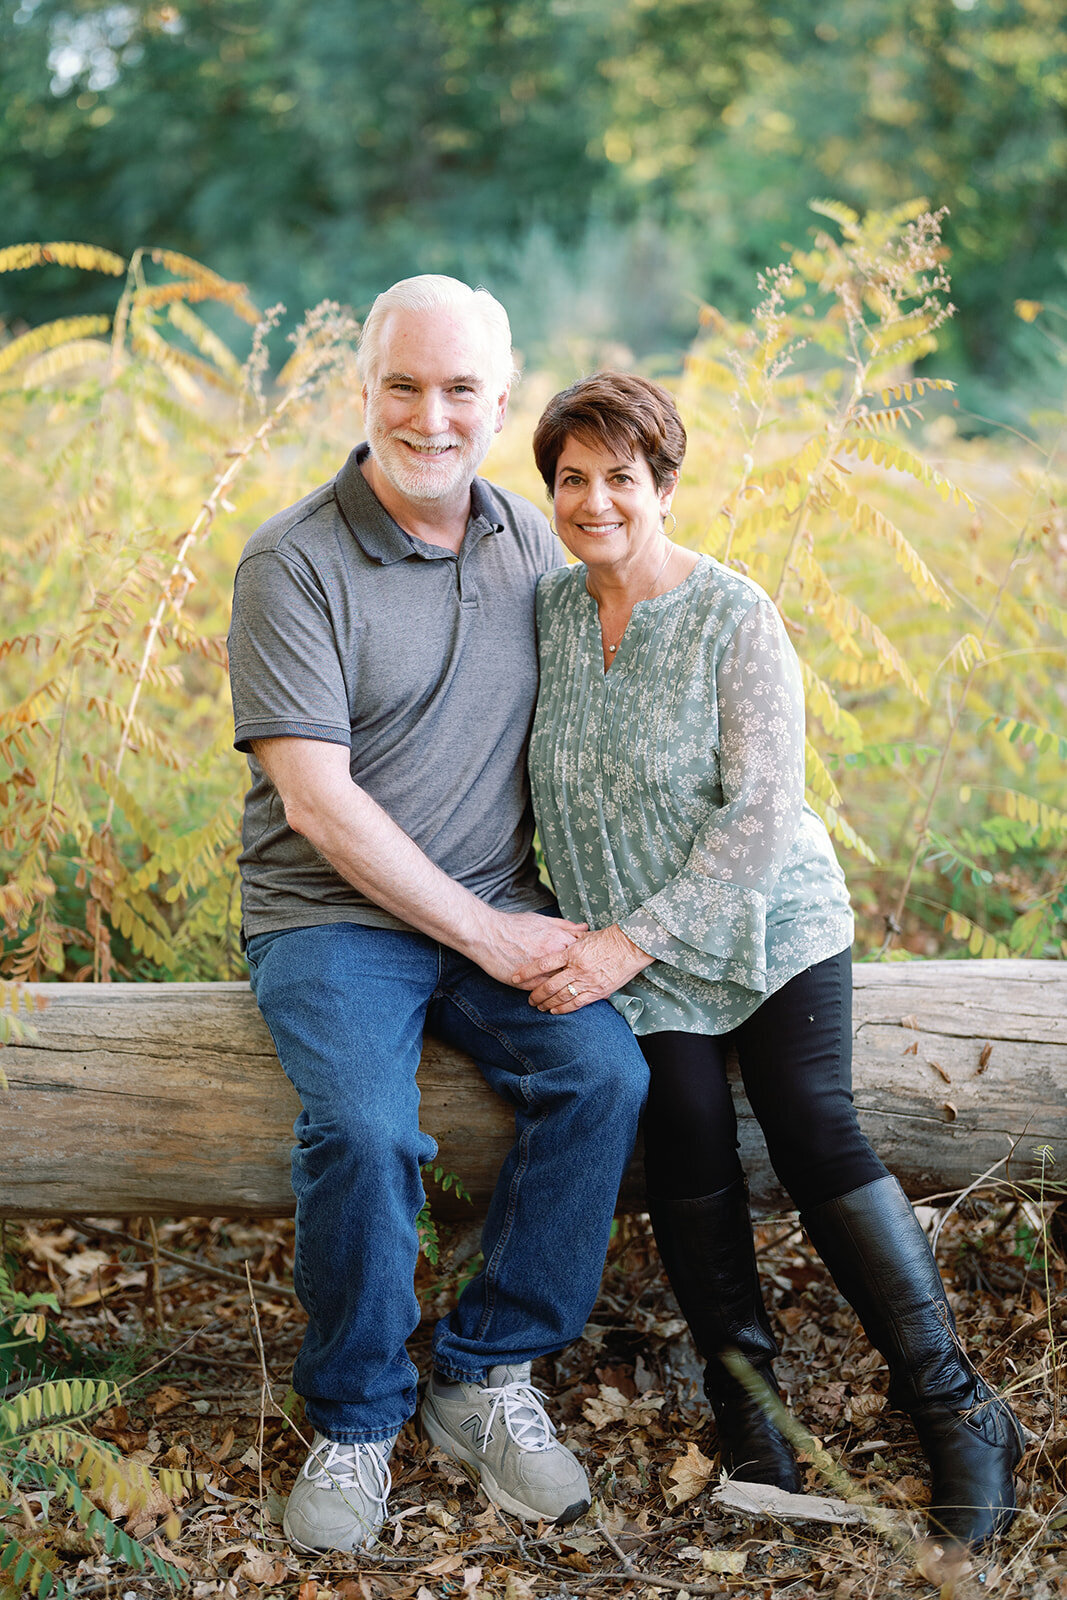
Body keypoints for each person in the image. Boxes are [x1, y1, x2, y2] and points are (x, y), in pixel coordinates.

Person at [513, 371, 1025, 1550]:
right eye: (571, 479)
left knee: (807, 1123)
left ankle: (953, 1405)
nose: (594, 500)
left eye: (619, 478)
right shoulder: (544, 611)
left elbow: (759, 814)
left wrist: (620, 945)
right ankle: (755, 1419)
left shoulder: (730, 613)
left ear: (663, 485)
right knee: (682, 1126)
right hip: (628, 944)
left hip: (762, 919)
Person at [227, 283, 648, 1555]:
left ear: (500, 402)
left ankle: (484, 1370)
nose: (429, 414)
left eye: (459, 389)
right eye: (402, 385)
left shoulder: (529, 542)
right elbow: (316, 805)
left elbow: (653, 642)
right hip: (330, 917)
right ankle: (357, 1417)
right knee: (364, 1129)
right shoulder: (290, 561)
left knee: (605, 1076)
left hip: (494, 904)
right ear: (362, 394)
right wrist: (485, 932)